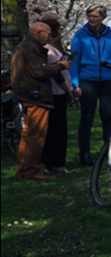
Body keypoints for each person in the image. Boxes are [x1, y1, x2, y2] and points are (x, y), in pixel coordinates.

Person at [11, 21, 72, 180]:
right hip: (36, 96)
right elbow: (40, 71)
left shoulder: (23, 47)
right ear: (39, 33)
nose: (50, 37)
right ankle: (32, 170)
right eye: (48, 34)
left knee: (27, 135)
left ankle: (23, 169)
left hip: (26, 95)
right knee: (36, 136)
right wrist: (60, 66)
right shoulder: (32, 49)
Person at [69, 5, 111, 166]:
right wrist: (75, 83)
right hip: (88, 80)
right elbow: (74, 60)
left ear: (102, 17)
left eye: (95, 16)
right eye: (89, 16)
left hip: (108, 80)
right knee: (87, 117)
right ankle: (84, 154)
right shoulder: (80, 35)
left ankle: (110, 152)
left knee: (107, 115)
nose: (91, 19)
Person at [38, 15, 73, 175]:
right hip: (56, 93)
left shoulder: (50, 49)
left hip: (54, 93)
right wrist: (68, 90)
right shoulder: (50, 52)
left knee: (53, 129)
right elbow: (57, 74)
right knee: (57, 130)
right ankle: (56, 163)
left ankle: (51, 162)